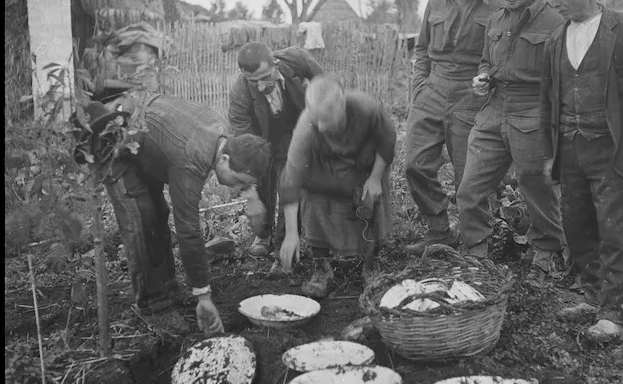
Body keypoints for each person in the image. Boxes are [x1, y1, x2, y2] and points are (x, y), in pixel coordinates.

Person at [73, 93, 271, 336]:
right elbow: (188, 230)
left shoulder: (222, 135)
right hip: (114, 144)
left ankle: (168, 287)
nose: (236, 188)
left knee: (158, 213)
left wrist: (252, 195)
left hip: (149, 148)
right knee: (141, 220)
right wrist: (203, 294)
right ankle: (152, 305)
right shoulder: (192, 158)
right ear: (226, 159)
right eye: (239, 181)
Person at [538, 0, 623, 342]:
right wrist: (548, 153)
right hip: (570, 149)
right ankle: (592, 297)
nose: (555, 3)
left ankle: (614, 313)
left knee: (616, 230)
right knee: (579, 228)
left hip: (615, 149)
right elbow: (547, 101)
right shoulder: (556, 39)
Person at [456, 0, 567, 284]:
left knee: (536, 187)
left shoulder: (555, 22)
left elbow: (563, 78)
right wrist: (483, 75)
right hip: (492, 109)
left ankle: (545, 256)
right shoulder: (497, 18)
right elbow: (485, 60)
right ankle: (476, 255)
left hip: (533, 111)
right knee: (469, 188)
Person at [404, 0, 504, 255]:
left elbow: (502, 56)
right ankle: (438, 232)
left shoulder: (498, 6)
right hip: (432, 88)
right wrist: (420, 83)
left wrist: (488, 84)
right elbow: (421, 50)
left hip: (471, 94)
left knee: (469, 175)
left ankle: (477, 246)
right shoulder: (435, 3)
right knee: (414, 165)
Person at [278, 75, 396, 298]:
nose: (321, 127)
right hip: (326, 169)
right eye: (316, 119)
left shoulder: (366, 107)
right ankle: (322, 268)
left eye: (326, 119)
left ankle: (372, 264)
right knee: (312, 198)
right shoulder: (307, 127)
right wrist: (292, 233)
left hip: (364, 165)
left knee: (370, 200)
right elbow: (291, 178)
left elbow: (387, 139)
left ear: (341, 106)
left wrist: (375, 178)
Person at [228, 42, 324, 271]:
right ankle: (263, 234)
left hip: (296, 130)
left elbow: (325, 85)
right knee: (262, 182)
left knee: (290, 182)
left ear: (275, 64)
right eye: (254, 81)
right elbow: (243, 142)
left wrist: (313, 98)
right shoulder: (239, 92)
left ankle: (284, 245)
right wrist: (250, 193)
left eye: (265, 77)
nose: (261, 86)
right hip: (262, 136)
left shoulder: (298, 60)